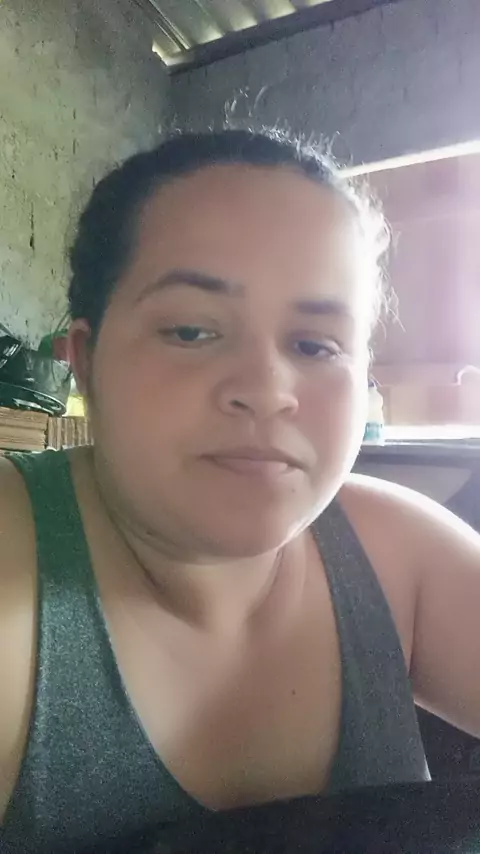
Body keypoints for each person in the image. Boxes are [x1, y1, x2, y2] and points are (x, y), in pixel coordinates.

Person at [1, 129, 480, 852]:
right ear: (86, 362)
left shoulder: (401, 556)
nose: (266, 389)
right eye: (191, 332)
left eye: (315, 344)